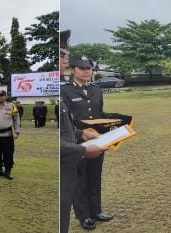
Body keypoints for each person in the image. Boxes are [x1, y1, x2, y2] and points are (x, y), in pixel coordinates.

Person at [59, 32, 108, 233]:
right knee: (79, 181)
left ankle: (96, 210)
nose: (87, 72)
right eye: (83, 68)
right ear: (73, 70)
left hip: (96, 140)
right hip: (77, 142)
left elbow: (101, 114)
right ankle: (84, 215)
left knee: (95, 176)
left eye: (90, 69)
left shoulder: (97, 90)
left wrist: (114, 128)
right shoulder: (65, 91)